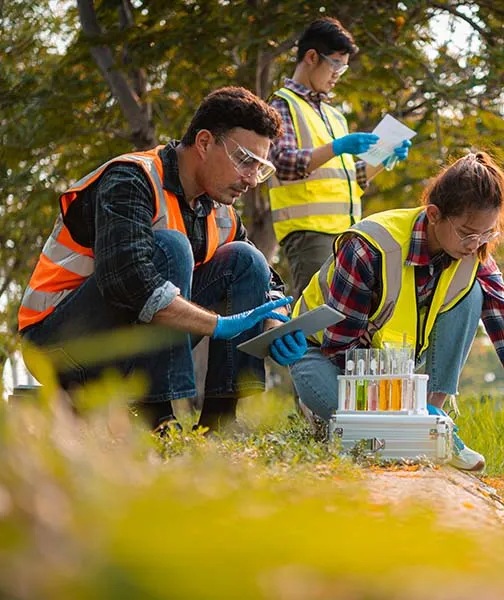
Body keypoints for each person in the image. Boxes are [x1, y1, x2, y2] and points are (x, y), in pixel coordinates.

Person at [289, 152, 504, 471]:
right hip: (324, 357)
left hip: (392, 370)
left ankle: (433, 419)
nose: (475, 244)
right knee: (378, 439)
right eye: (467, 232)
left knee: (473, 294)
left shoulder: (476, 260)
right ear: (433, 214)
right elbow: (341, 349)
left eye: (487, 234)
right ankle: (397, 425)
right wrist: (409, 410)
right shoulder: (370, 246)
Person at [18, 86, 308, 434]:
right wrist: (217, 324)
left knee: (246, 259)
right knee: (172, 247)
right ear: (204, 142)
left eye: (259, 169)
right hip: (61, 347)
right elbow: (128, 280)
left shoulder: (220, 211)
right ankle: (159, 421)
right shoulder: (130, 179)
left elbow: (269, 282)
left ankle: (221, 425)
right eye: (245, 161)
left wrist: (275, 325)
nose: (250, 179)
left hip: (129, 348)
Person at [268, 17, 411, 300]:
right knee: (315, 316)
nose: (337, 74)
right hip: (309, 235)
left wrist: (384, 157)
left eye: (342, 67)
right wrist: (338, 146)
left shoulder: (334, 115)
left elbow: (351, 179)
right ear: (311, 57)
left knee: (349, 315)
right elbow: (282, 163)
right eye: (335, 64)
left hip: (347, 235)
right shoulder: (282, 104)